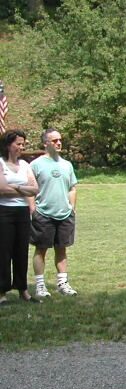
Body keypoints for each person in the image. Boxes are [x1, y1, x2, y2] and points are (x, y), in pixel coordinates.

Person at [29, 128, 78, 298]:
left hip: (64, 214)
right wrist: (33, 211)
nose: (59, 143)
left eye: (60, 140)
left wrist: (72, 208)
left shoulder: (67, 165)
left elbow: (72, 188)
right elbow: (30, 191)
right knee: (41, 250)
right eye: (54, 140)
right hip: (43, 214)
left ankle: (63, 284)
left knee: (62, 249)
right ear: (45, 143)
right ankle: (40, 286)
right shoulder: (35, 165)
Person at [0, 129, 39, 305]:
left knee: (21, 251)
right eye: (18, 143)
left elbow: (35, 188)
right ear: (9, 145)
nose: (21, 147)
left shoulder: (25, 165)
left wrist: (15, 188)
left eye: (23, 144)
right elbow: (1, 189)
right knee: (4, 251)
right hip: (4, 211)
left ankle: (23, 290)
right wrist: (23, 189)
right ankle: (2, 292)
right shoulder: (1, 163)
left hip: (23, 212)